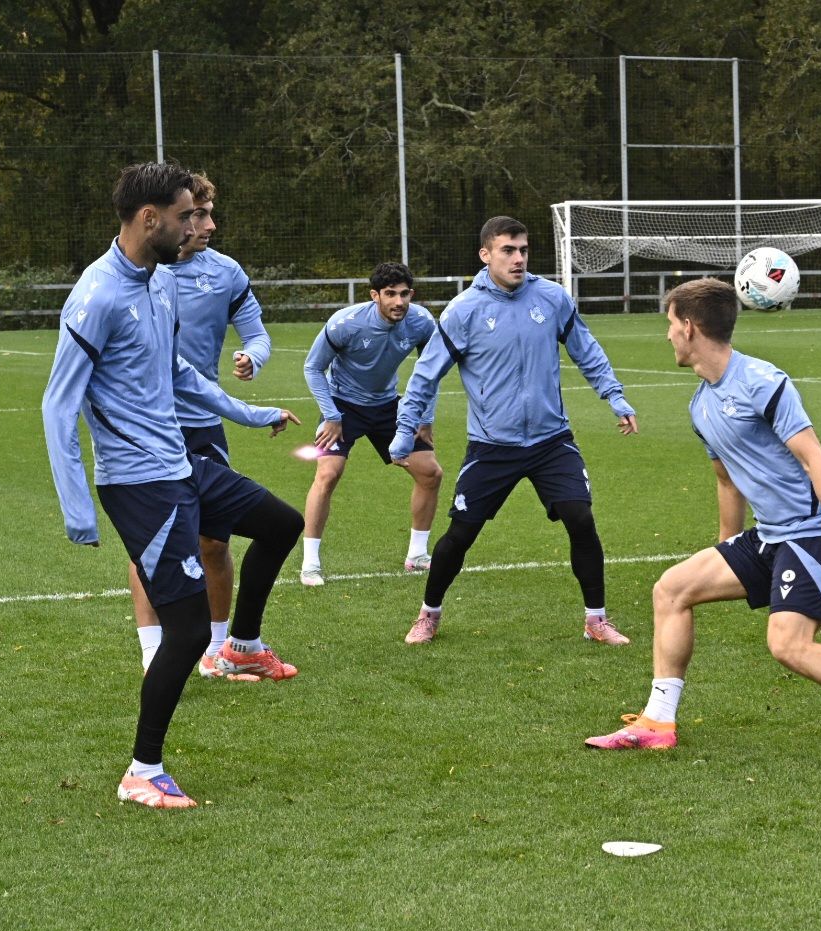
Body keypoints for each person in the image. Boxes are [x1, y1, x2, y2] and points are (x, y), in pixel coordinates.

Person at [585, 277, 821, 769]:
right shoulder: (701, 403)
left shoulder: (763, 382)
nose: (666, 335)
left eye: (669, 324)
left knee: (788, 644)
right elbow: (728, 482)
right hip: (768, 537)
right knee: (671, 589)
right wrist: (727, 548)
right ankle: (658, 723)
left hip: (811, 534)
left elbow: (816, 460)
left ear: (689, 327)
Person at [42, 162, 305, 810]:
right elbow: (57, 405)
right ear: (150, 218)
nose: (198, 227)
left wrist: (254, 412)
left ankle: (242, 646)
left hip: (183, 468)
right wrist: (79, 508)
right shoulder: (97, 295)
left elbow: (182, 375)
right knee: (186, 632)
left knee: (281, 523)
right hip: (139, 484)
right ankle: (143, 771)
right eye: (187, 216)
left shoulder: (157, 284)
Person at [389, 216, 638, 646]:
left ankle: (596, 620)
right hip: (492, 446)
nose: (518, 258)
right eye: (508, 250)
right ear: (485, 255)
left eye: (523, 249)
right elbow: (425, 376)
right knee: (460, 536)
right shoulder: (464, 310)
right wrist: (405, 430)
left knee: (581, 519)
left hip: (551, 441)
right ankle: (429, 614)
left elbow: (586, 349)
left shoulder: (552, 298)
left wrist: (614, 396)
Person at [123, 171, 276, 680]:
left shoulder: (227, 273)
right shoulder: (142, 274)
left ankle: (216, 650)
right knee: (152, 541)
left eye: (209, 214)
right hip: (149, 429)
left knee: (215, 541)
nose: (209, 225)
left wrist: (251, 357)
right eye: (198, 214)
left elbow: (257, 334)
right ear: (176, 218)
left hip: (203, 424)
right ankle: (152, 652)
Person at [299, 262, 442, 585]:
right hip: (342, 406)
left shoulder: (420, 322)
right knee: (328, 473)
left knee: (430, 472)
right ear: (374, 295)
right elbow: (313, 368)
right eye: (390, 294)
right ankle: (310, 563)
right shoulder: (346, 323)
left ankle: (417, 555)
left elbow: (431, 367)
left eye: (405, 294)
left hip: (388, 406)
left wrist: (424, 416)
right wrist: (332, 416)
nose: (399, 302)